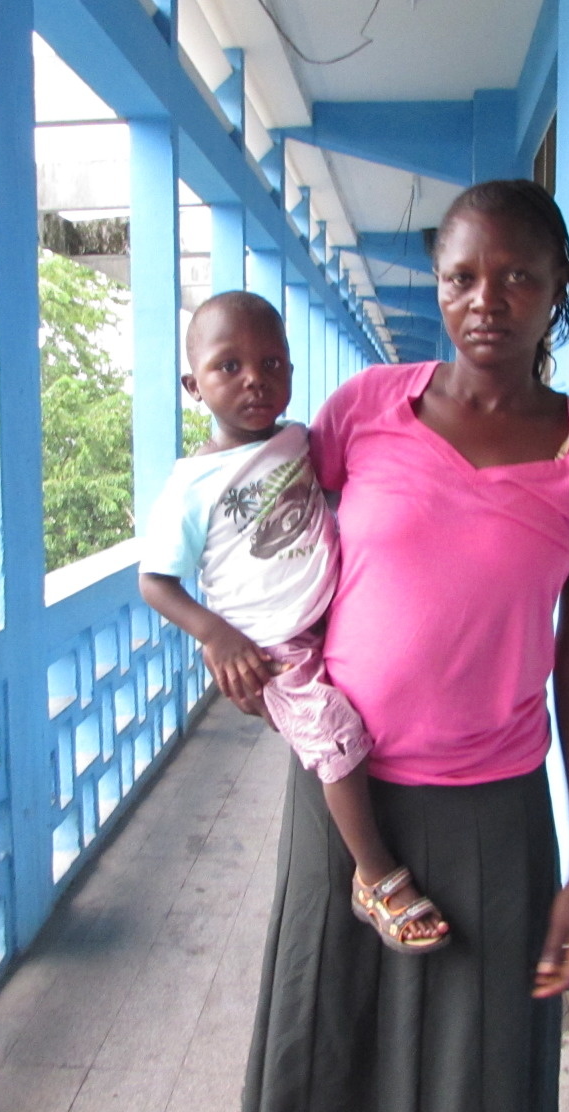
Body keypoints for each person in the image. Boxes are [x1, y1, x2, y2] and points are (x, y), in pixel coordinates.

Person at [241, 181, 569, 1112]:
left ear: (558, 288)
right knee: (322, 1057)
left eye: (515, 277)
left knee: (476, 1078)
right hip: (343, 805)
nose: (485, 300)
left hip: (493, 817)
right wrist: (236, 646)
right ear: (435, 285)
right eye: (461, 277)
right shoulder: (366, 410)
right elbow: (263, 535)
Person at [138, 291, 450, 954]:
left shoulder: (299, 442)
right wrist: (216, 636)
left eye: (272, 362)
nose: (255, 378)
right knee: (334, 737)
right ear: (194, 385)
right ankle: (374, 872)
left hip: (336, 616)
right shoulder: (190, 487)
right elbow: (155, 582)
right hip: (272, 645)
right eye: (229, 367)